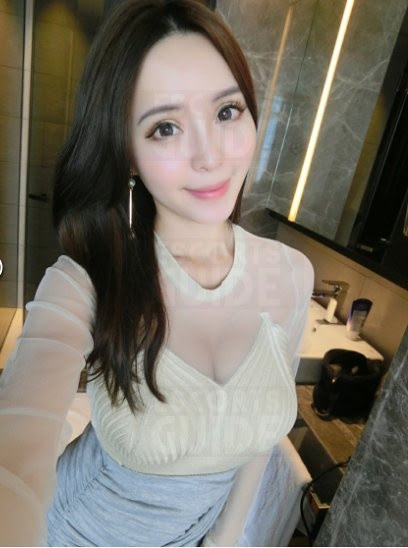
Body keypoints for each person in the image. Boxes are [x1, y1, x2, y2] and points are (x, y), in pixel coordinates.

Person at [0, 0, 314, 545]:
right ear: (127, 153)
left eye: (226, 111)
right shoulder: (86, 280)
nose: (210, 157)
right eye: (166, 127)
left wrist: (223, 540)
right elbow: (14, 458)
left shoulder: (290, 274)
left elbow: (261, 429)